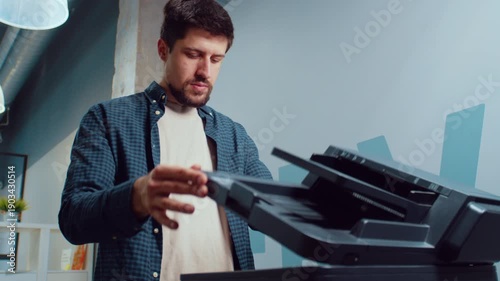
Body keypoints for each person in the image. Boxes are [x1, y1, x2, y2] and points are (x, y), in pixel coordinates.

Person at [58, 0, 272, 280]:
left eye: (216, 59)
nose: (205, 72)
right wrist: (135, 198)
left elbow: (271, 206)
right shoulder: (108, 119)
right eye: (194, 54)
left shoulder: (233, 135)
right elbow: (74, 220)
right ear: (163, 49)